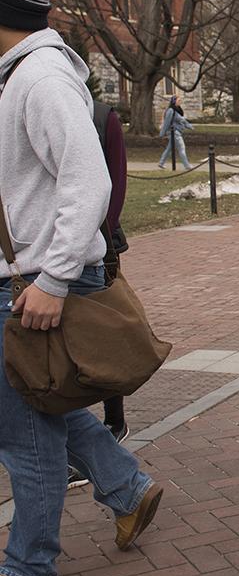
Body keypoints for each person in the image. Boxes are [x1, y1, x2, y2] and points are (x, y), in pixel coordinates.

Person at [0, 0, 163, 576]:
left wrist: (55, 278)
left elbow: (87, 180)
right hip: (28, 274)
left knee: (25, 431)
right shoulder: (23, 76)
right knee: (38, 407)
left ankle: (30, 564)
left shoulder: (39, 79)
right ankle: (125, 488)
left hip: (37, 281)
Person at [67, 98, 132, 490]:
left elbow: (116, 181)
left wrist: (101, 235)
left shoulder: (101, 115)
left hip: (98, 245)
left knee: (105, 337)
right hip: (53, 248)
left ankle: (115, 420)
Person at [157, 94, 193, 169]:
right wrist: (162, 133)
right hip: (173, 132)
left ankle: (161, 162)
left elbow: (182, 120)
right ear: (174, 101)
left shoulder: (177, 110)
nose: (180, 102)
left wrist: (189, 126)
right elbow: (167, 123)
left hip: (177, 131)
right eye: (179, 100)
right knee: (181, 148)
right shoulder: (171, 110)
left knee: (169, 148)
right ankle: (187, 165)